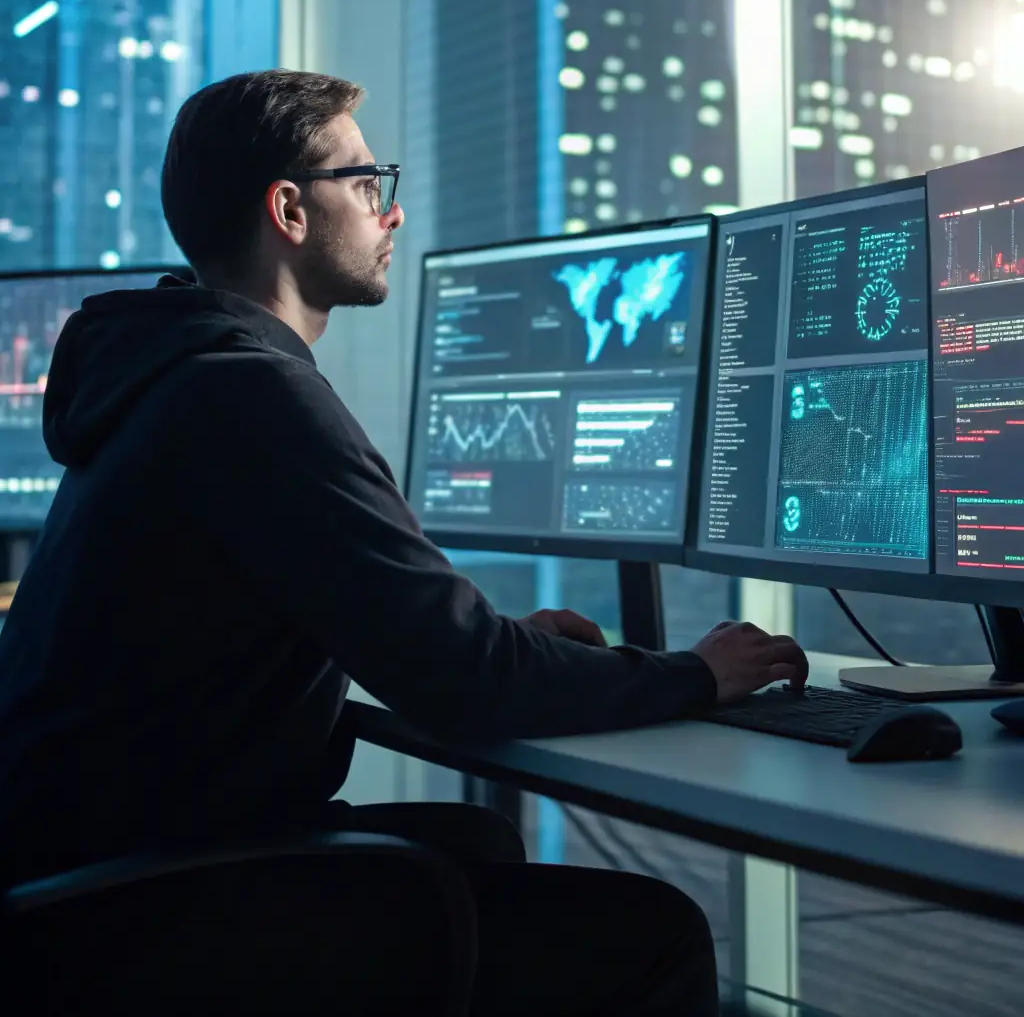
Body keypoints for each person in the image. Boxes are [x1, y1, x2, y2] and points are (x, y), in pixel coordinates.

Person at [0, 70, 807, 1014]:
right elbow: (462, 680)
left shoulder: (175, 375)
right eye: (369, 182)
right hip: (131, 921)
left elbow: (366, 628)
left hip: (85, 877)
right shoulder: (248, 395)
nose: (391, 211)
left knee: (475, 845)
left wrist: (505, 641)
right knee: (651, 929)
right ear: (291, 210)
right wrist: (696, 674)